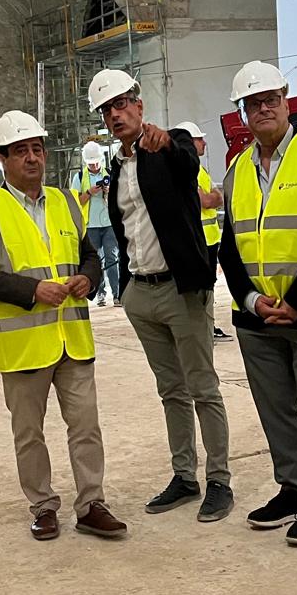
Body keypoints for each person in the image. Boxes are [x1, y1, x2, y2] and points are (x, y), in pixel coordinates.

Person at [0, 110, 128, 542]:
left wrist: (89, 278)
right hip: (23, 346)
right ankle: (43, 505)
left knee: (86, 426)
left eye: (37, 149)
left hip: (72, 338)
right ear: (1, 158)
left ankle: (92, 504)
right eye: (21, 151)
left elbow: (88, 253)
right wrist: (33, 291)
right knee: (29, 433)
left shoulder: (66, 201)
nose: (32, 158)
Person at [95, 71, 235, 523]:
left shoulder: (167, 145)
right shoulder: (117, 169)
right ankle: (184, 475)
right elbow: (124, 229)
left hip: (181, 290)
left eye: (122, 104)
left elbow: (185, 161)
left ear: (139, 104)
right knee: (171, 390)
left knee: (203, 387)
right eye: (107, 110)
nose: (116, 114)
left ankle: (219, 480)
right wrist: (126, 291)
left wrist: (167, 143)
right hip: (142, 292)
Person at [218, 62, 297, 546]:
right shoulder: (235, 171)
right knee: (275, 409)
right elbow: (229, 247)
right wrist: (251, 301)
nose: (263, 108)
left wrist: (296, 301)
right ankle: (290, 489)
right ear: (243, 113)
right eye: (253, 103)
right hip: (256, 317)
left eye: (271, 98)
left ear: (287, 100)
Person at [177, 121, 231, 341]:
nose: (204, 142)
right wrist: (213, 198)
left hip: (208, 240)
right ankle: (203, 330)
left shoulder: (199, 169)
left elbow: (216, 197)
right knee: (201, 290)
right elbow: (208, 200)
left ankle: (206, 327)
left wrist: (214, 198)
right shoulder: (188, 170)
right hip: (199, 241)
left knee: (207, 289)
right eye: (200, 139)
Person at [74, 140, 120, 306]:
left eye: (96, 162)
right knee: (96, 261)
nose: (94, 166)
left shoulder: (110, 173)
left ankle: (117, 294)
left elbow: (119, 198)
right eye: (91, 163)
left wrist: (108, 191)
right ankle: (100, 294)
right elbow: (76, 201)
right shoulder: (80, 177)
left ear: (101, 160)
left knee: (112, 258)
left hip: (109, 225)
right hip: (91, 226)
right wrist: (89, 192)